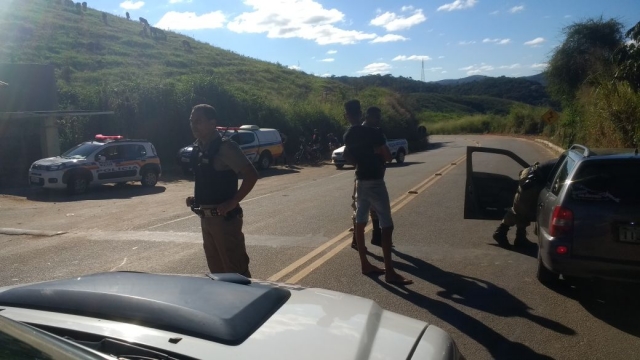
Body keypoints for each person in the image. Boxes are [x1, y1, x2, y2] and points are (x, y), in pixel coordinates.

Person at [343, 100, 412, 285]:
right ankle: (390, 271)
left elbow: (348, 156)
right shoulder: (374, 133)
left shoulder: (348, 135)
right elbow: (388, 157)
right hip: (375, 180)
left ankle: (365, 264)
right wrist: (374, 154)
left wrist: (360, 161)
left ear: (347, 115)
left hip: (360, 180)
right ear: (361, 114)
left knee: (360, 221)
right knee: (387, 225)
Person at [186, 104, 259, 277]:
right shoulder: (199, 148)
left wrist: (233, 201)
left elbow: (251, 175)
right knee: (217, 273)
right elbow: (209, 179)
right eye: (191, 121)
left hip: (225, 222)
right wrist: (196, 199)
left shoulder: (225, 147)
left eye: (199, 121)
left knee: (235, 273)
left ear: (212, 123)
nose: (193, 125)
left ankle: (246, 302)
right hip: (206, 220)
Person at [493, 157, 559, 247]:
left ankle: (520, 238)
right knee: (519, 209)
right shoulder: (566, 165)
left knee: (526, 210)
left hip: (533, 178)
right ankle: (500, 232)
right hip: (531, 180)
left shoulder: (565, 161)